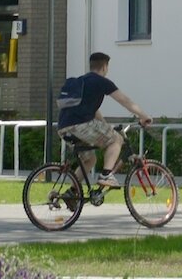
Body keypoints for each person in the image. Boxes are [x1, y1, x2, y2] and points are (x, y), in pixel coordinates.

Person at [54, 52, 149, 182]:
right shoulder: (102, 82)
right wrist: (144, 116)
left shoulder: (82, 81)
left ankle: (73, 192)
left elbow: (94, 111)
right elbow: (124, 100)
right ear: (105, 67)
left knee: (90, 160)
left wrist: (105, 126)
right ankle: (106, 175)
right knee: (117, 140)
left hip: (63, 127)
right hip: (81, 125)